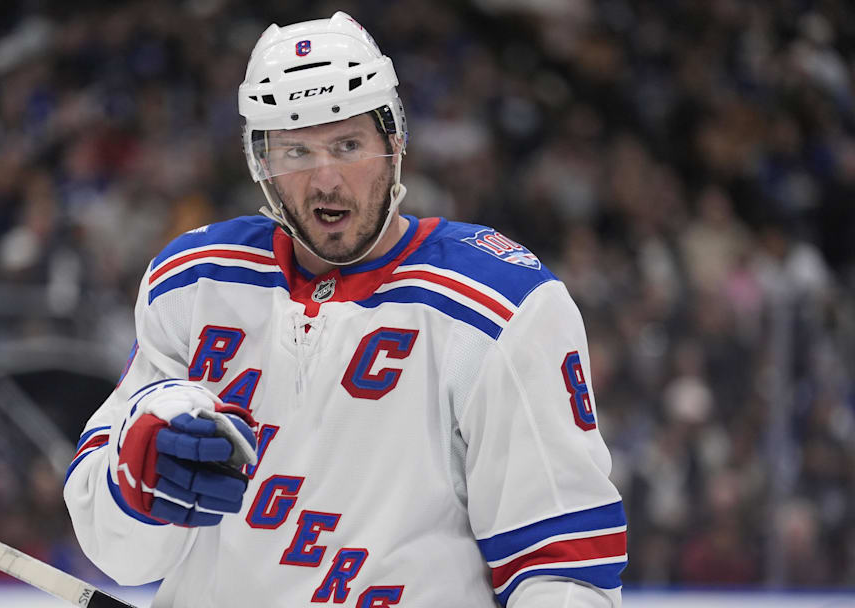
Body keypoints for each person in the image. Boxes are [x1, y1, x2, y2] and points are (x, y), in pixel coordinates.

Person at [64, 12, 627, 607]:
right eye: (297, 150)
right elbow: (119, 555)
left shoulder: (499, 304)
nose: (325, 179)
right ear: (262, 165)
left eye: (348, 144)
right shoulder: (193, 282)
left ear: (395, 143)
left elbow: (563, 565)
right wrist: (139, 486)